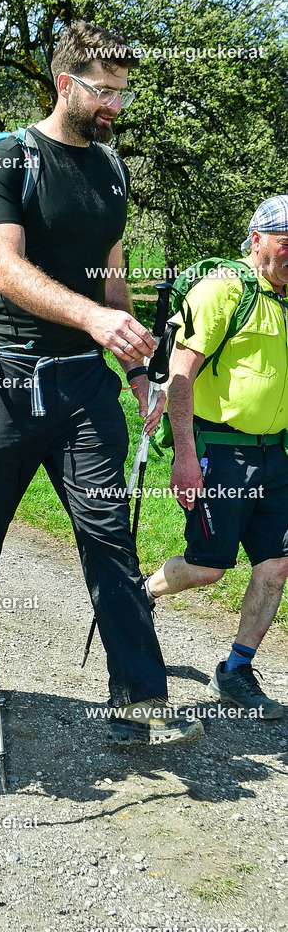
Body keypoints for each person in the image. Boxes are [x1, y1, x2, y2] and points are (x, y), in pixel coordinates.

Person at [0, 20, 203, 746]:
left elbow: (112, 282)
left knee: (109, 534)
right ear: (65, 83)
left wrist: (138, 370)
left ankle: (139, 697)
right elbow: (3, 269)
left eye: (122, 90)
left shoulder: (111, 170)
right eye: (103, 89)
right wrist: (90, 318)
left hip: (87, 389)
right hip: (7, 379)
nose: (115, 103)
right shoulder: (7, 159)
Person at [146, 196, 288, 719]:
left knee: (276, 566)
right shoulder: (222, 291)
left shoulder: (285, 297)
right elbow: (181, 376)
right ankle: (142, 596)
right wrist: (185, 454)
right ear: (257, 240)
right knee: (209, 567)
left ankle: (235, 670)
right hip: (220, 451)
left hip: (276, 455)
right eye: (286, 243)